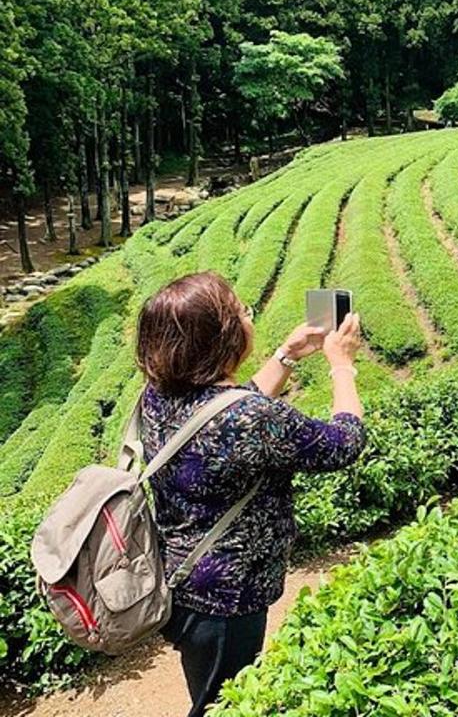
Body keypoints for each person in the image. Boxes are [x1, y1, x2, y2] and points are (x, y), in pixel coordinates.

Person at [133, 271, 365, 717]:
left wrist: (287, 354)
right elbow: (344, 442)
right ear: (223, 338)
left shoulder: (158, 394)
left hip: (181, 580)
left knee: (214, 690)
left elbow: (223, 412)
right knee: (224, 706)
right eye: (242, 311)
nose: (247, 317)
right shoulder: (253, 420)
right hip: (227, 600)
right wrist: (342, 364)